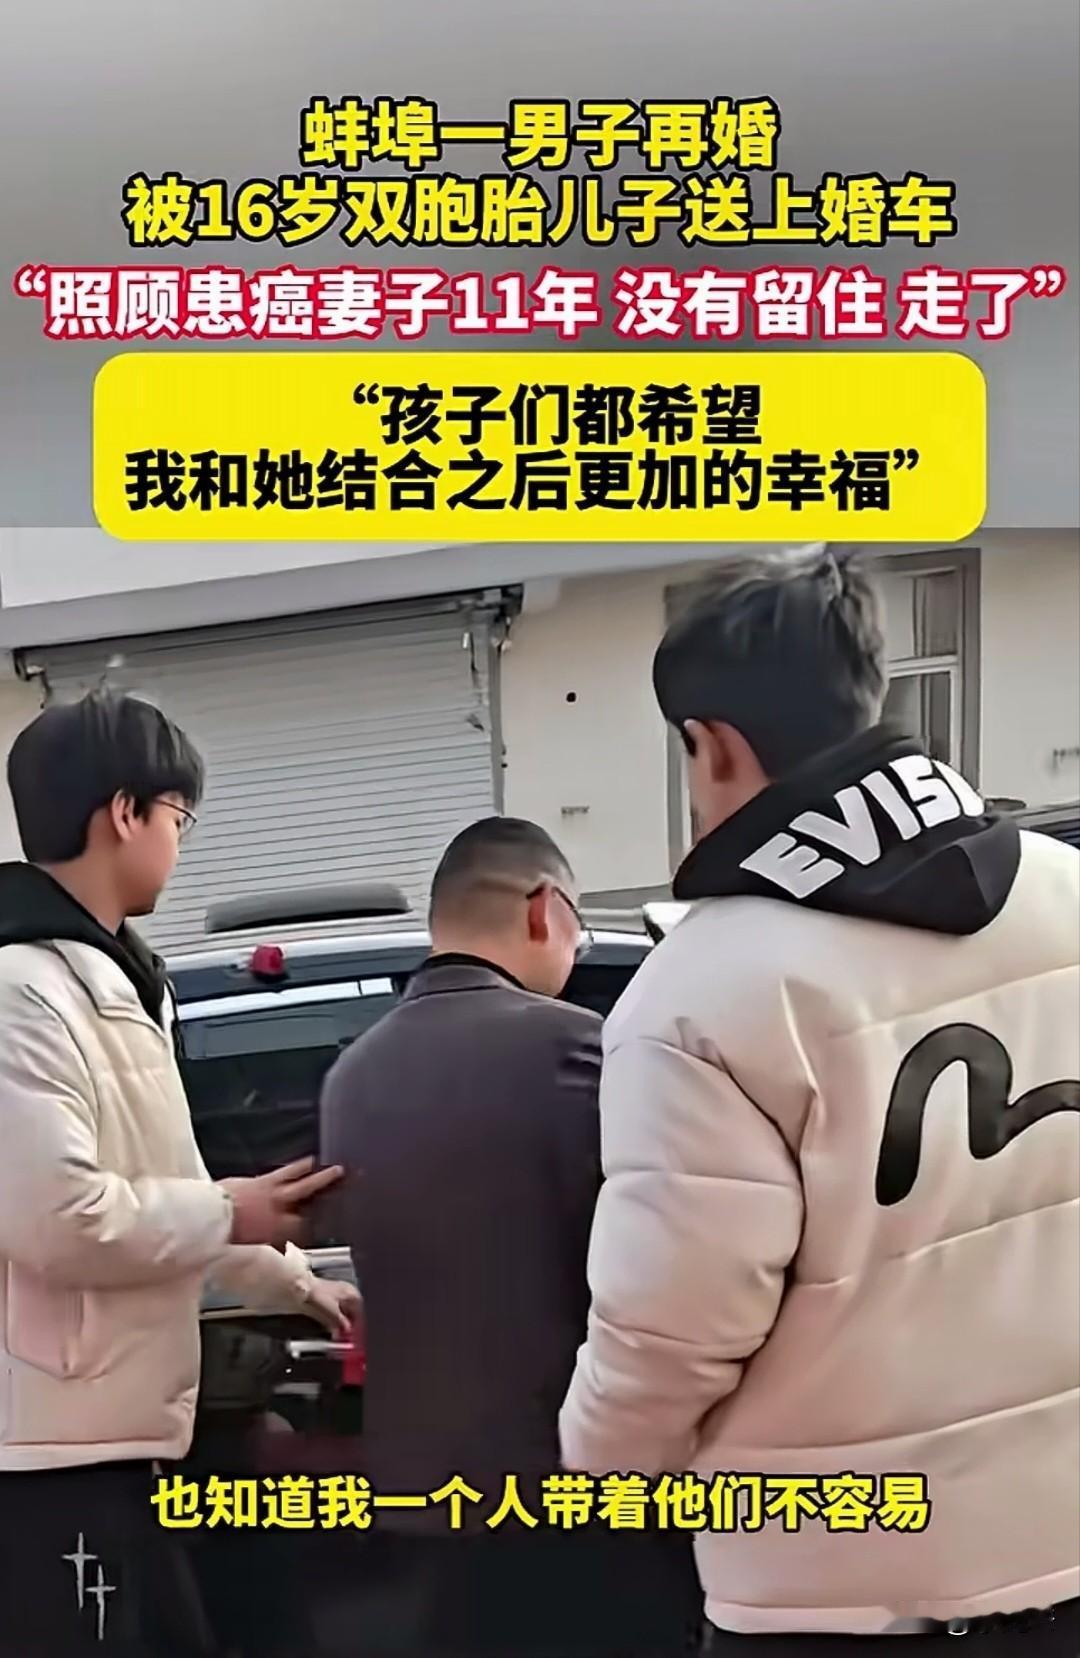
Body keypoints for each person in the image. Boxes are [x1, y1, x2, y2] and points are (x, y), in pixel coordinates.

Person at [560, 549, 1080, 1654]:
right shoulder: (1067, 891)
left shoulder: (699, 994)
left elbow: (672, 1328)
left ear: (713, 745)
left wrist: (604, 1466)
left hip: (838, 1586)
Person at [0, 691, 359, 1657]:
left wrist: (300, 1284)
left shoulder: (120, 980)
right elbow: (60, 1219)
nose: (179, 842)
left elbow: (173, 1189)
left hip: (120, 1432)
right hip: (49, 1451)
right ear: (124, 813)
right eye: (177, 817)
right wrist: (233, 1213)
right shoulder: (20, 991)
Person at [320, 817, 702, 1657]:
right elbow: (660, 1252)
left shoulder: (351, 1075)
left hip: (419, 1501)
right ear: (545, 909)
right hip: (569, 1493)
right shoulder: (576, 1048)